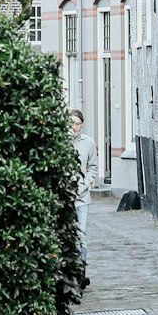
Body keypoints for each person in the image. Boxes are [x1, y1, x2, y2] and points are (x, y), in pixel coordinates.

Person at [70, 109, 98, 284]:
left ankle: (81, 272)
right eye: (71, 123)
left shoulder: (89, 143)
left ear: (82, 124)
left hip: (82, 198)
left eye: (77, 123)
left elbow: (93, 167)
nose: (74, 127)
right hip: (65, 197)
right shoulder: (62, 142)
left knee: (81, 235)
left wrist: (84, 185)